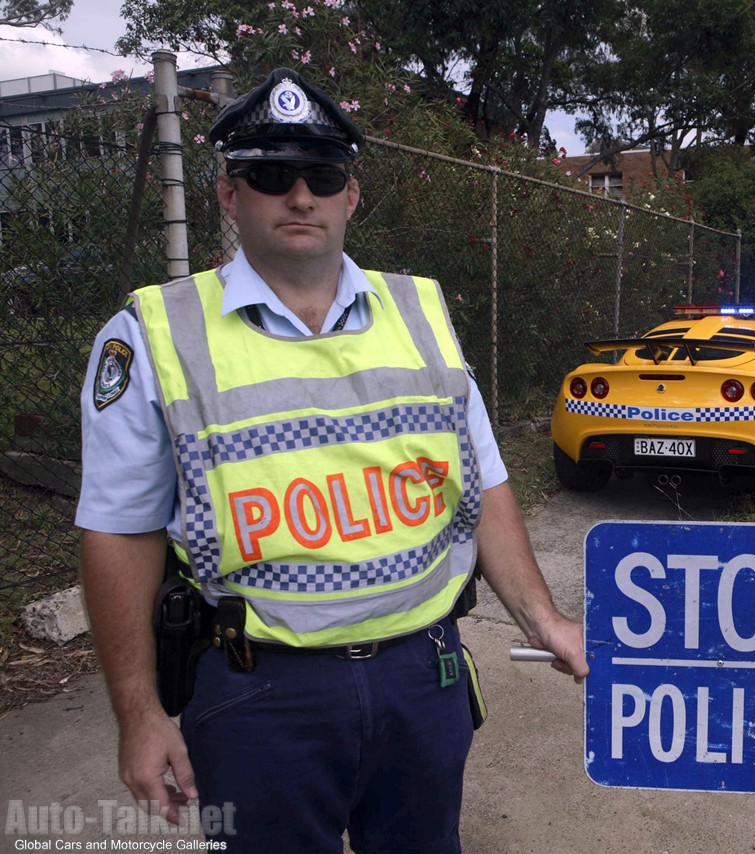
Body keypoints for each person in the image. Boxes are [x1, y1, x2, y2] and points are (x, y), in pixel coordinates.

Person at [75, 68, 588, 853]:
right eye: (271, 176)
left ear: (351, 195)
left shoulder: (420, 311)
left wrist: (544, 619)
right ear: (228, 194)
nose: (300, 196)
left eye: (322, 175)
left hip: (424, 678)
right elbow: (118, 531)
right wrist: (140, 716)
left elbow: (481, 480)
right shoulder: (152, 334)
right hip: (258, 694)